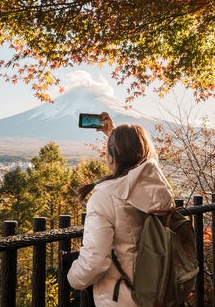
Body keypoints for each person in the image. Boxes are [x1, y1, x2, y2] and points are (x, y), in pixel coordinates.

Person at [67, 112, 173, 306]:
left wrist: (72, 278)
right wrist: (115, 136)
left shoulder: (105, 197)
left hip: (121, 297)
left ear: (111, 157)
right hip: (157, 290)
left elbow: (95, 261)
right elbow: (140, 166)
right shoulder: (159, 188)